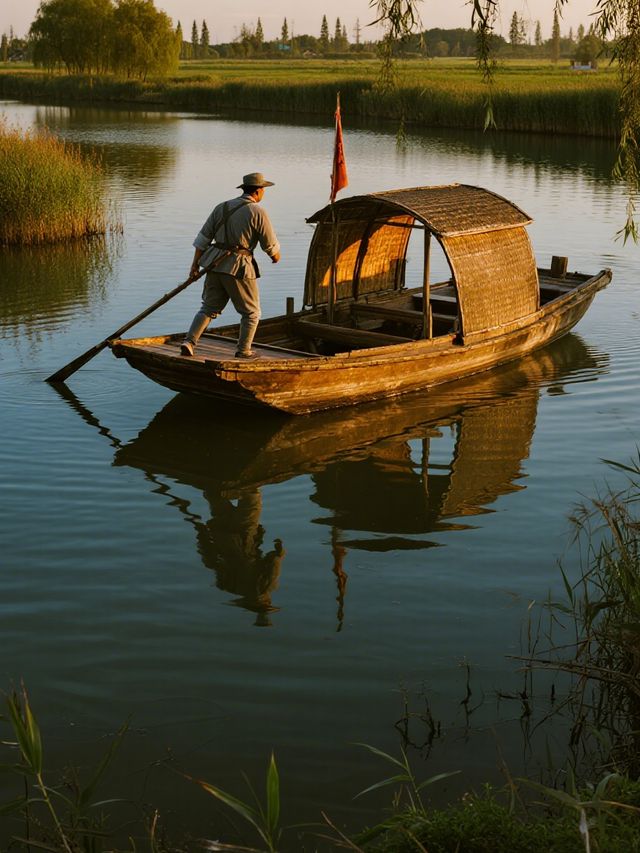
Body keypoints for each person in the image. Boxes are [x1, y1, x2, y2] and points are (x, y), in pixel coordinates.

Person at [181, 172, 281, 359]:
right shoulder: (258, 212)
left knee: (209, 308)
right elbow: (271, 248)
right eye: (263, 190)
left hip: (214, 264)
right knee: (251, 312)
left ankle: (189, 342)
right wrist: (275, 256)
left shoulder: (222, 207)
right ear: (258, 191)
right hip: (239, 267)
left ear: (244, 189)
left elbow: (202, 239)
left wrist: (194, 265)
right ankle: (243, 351)